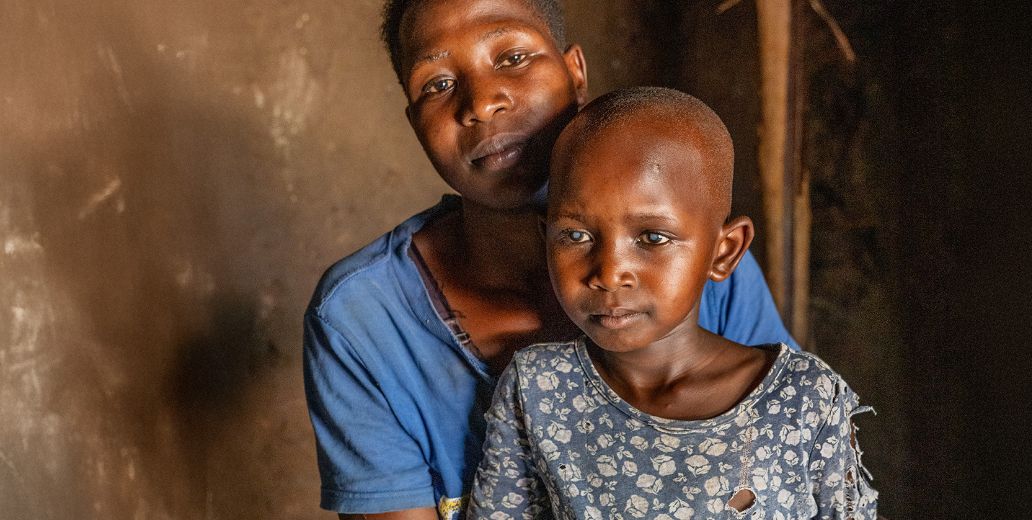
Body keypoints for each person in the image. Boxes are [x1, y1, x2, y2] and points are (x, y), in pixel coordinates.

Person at [302, 1, 797, 518]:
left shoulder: (695, 267)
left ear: (575, 73)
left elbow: (784, 478)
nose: (482, 102)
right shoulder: (361, 320)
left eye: (513, 56)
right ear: (414, 122)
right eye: (438, 84)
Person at [467, 87, 877, 520]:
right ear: (545, 239)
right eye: (575, 236)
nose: (609, 273)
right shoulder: (538, 389)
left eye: (652, 238)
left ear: (724, 252)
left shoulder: (804, 398)